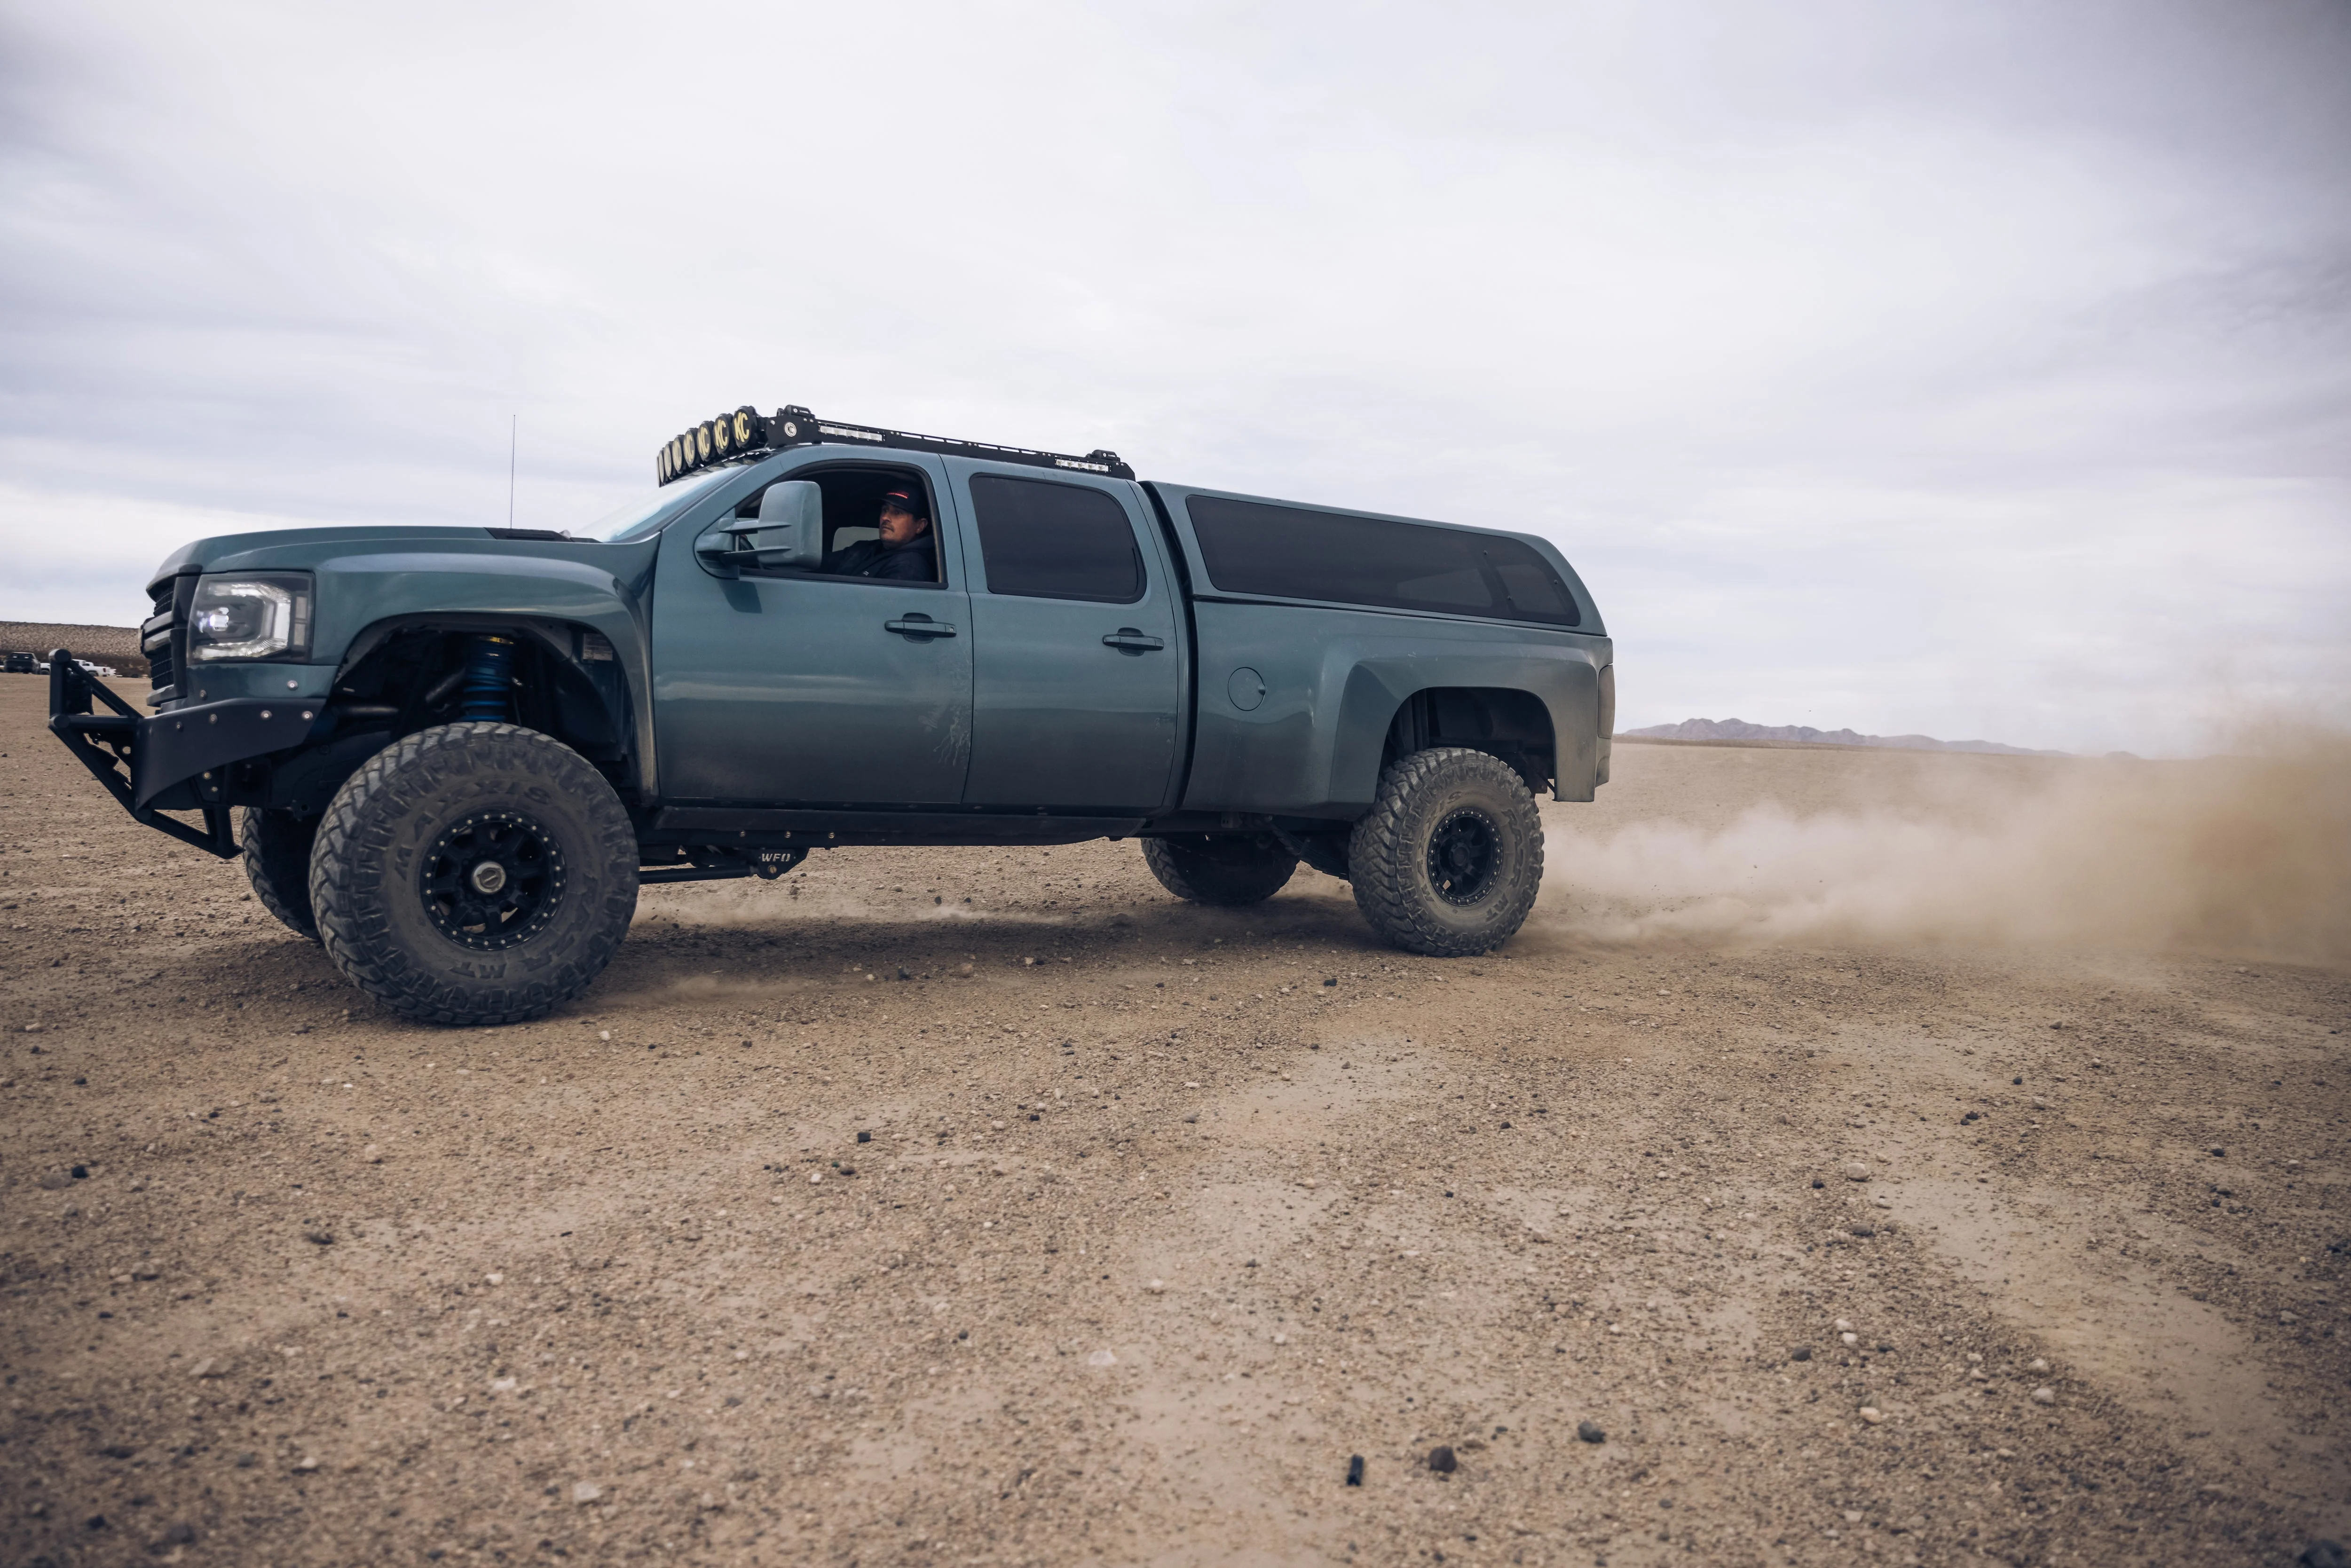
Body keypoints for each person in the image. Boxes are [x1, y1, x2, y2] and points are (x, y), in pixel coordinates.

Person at [825, 487, 937, 582]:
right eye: (885, 510)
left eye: (898, 513)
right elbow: (817, 563)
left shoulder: (909, 568)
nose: (885, 518)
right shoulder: (865, 549)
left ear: (920, 526)